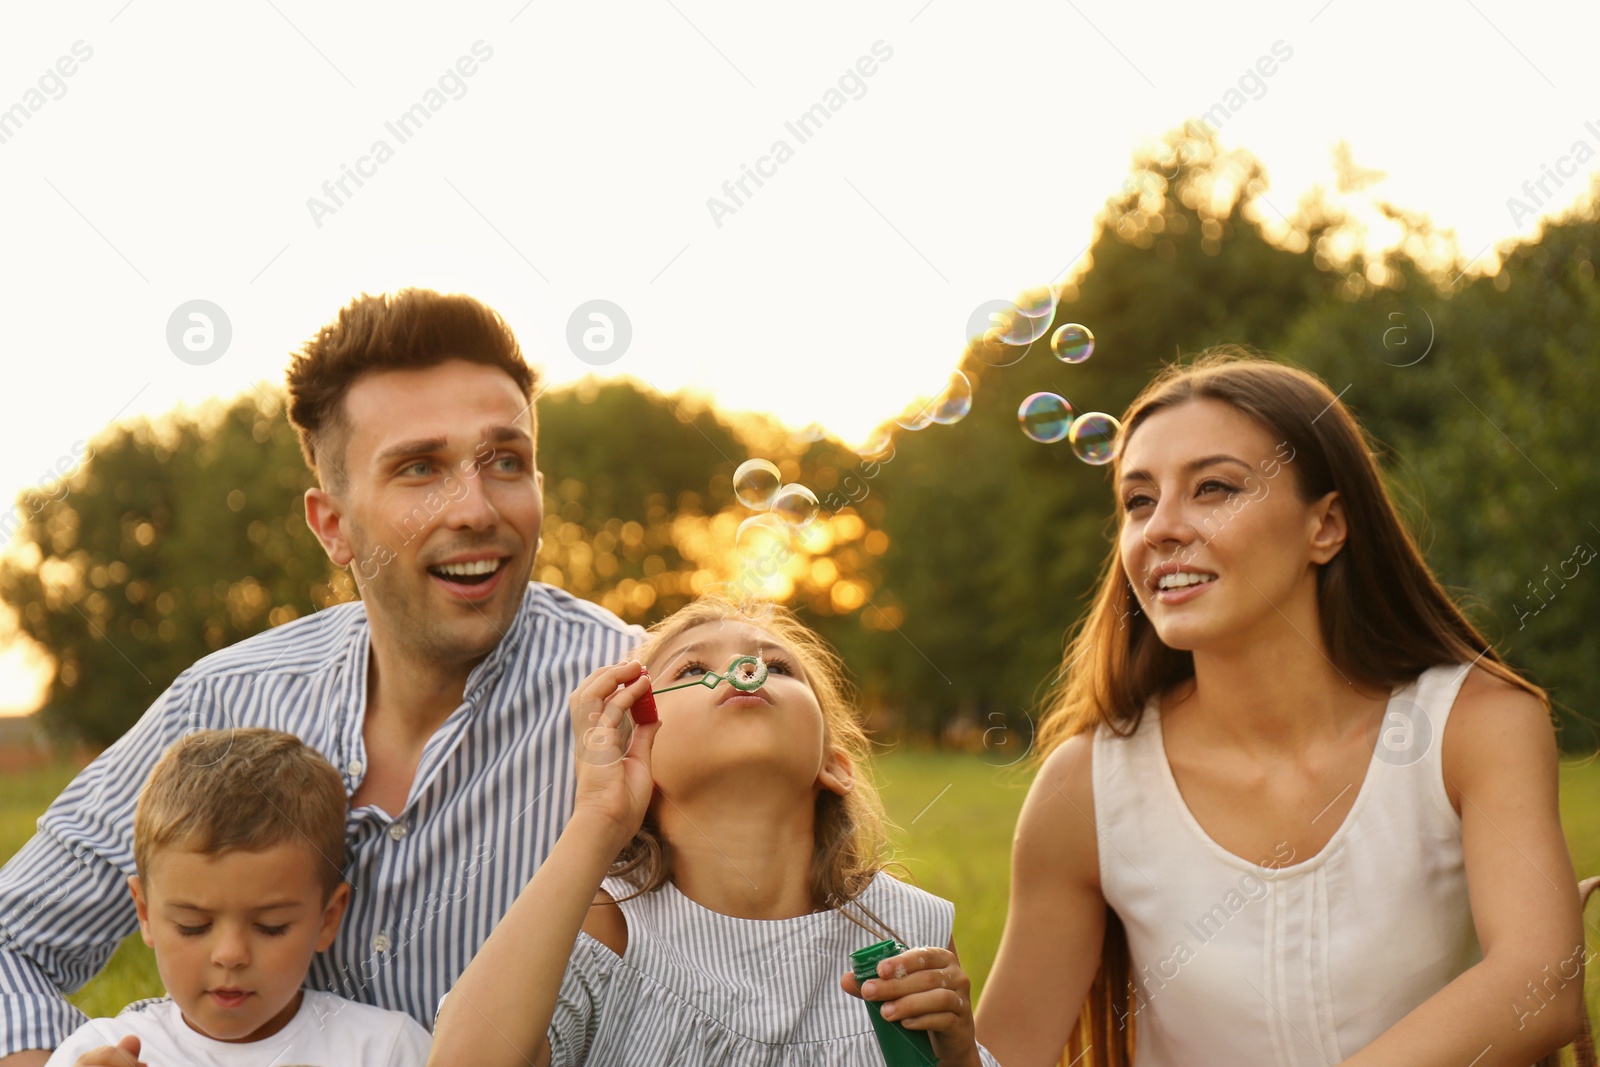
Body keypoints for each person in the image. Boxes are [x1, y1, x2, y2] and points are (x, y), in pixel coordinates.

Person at [0, 289, 644, 1065]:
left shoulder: (636, 699)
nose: (476, 508)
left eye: (505, 461)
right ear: (332, 523)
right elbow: (14, 946)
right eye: (420, 468)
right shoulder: (222, 702)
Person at [976, 349, 1584, 1066]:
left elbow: (1542, 983)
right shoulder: (1083, 787)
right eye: (1139, 500)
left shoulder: (1475, 724)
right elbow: (1004, 1053)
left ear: (1325, 526)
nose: (1161, 527)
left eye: (1213, 488)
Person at [428, 595, 1000, 1066]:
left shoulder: (902, 932)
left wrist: (958, 1059)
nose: (741, 673)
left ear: (835, 764)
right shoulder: (609, 935)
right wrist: (596, 820)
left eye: (777, 667)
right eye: (692, 670)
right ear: (638, 752)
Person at [46, 729, 431, 1067]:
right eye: (192, 926)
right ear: (144, 913)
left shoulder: (384, 1051)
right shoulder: (103, 1053)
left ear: (327, 918)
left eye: (271, 926)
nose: (230, 954)